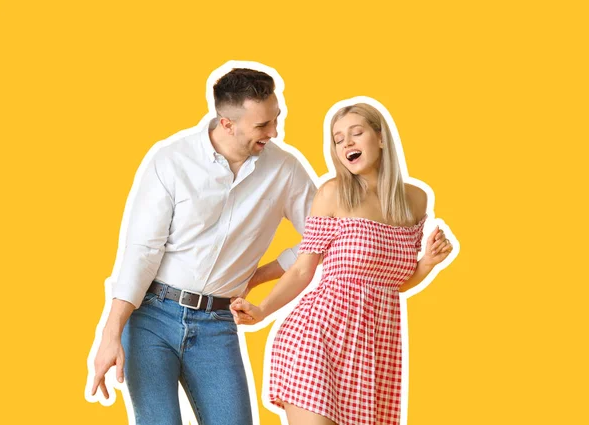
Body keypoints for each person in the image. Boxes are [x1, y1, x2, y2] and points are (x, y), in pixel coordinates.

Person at [87, 65, 317, 425]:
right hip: (151, 315)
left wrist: (257, 278)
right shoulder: (172, 161)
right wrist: (110, 333)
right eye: (262, 125)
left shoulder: (285, 171)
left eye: (277, 118)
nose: (275, 131)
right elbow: (141, 252)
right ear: (227, 123)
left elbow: (323, 237)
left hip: (217, 323)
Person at [231, 102, 455, 425]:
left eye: (356, 133)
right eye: (338, 139)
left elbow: (391, 283)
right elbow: (303, 268)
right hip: (318, 339)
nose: (346, 144)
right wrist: (262, 310)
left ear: (380, 138)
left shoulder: (415, 201)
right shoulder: (333, 194)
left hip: (375, 350)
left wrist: (428, 263)